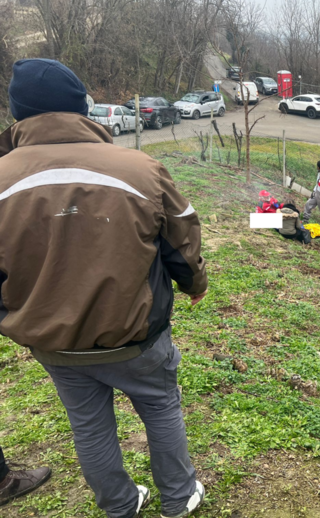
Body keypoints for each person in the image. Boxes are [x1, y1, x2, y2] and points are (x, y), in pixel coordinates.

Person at [0, 59, 208, 518]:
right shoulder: (140, 168)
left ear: (18, 114)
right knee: (160, 408)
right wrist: (195, 282)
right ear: (83, 107)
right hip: (135, 336)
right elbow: (182, 238)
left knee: (89, 427)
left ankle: (119, 505)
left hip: (52, 342)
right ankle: (178, 497)